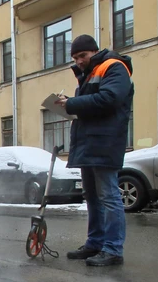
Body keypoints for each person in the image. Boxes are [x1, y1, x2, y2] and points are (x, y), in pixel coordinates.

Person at [54, 34, 133, 267]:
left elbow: (109, 99)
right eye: (75, 57)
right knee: (92, 197)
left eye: (82, 56)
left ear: (94, 52)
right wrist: (69, 105)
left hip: (105, 143)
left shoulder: (114, 66)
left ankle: (113, 249)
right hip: (90, 143)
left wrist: (72, 103)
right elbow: (90, 106)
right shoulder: (88, 74)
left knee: (109, 197)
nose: (78, 61)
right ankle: (95, 243)